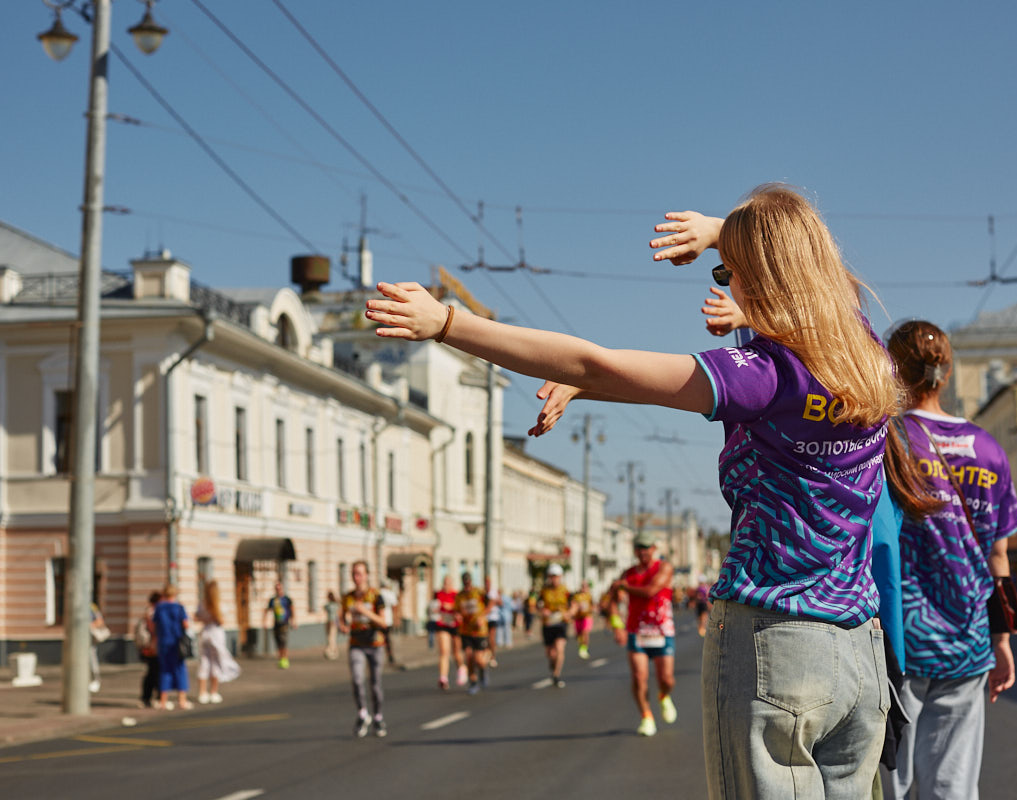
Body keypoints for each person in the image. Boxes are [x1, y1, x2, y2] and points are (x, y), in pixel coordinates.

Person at [368, 185, 900, 799]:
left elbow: (594, 362)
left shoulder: (762, 377)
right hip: (860, 654)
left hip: (775, 645)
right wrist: (718, 230)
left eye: (732, 273)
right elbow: (812, 266)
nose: (728, 286)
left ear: (763, 278)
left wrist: (448, 323)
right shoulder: (868, 357)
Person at [881, 320, 1017, 800]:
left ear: (895, 369)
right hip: (968, 639)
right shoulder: (989, 449)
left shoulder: (888, 440)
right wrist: (1001, 640)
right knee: (953, 785)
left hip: (898, 639)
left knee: (889, 781)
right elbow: (998, 553)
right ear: (945, 372)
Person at [614, 532, 677, 737]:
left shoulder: (664, 568)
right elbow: (611, 600)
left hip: (661, 630)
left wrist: (625, 587)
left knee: (666, 679)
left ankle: (663, 696)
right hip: (637, 631)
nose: (643, 552)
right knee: (639, 676)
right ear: (635, 550)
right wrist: (617, 625)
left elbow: (651, 591)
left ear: (653, 549)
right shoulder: (628, 574)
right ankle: (646, 716)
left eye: (647, 547)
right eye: (639, 548)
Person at [340, 560, 388, 737]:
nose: (356, 577)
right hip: (356, 644)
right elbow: (343, 618)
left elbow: (383, 621)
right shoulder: (348, 597)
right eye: (354, 573)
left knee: (375, 684)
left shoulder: (376, 596)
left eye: (359, 573)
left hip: (375, 643)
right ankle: (362, 713)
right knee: (357, 679)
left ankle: (378, 717)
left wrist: (365, 612)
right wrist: (344, 625)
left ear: (367, 575)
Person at [196, 579, 240, 704]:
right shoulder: (218, 604)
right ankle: (213, 692)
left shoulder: (202, 604)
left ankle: (202, 692)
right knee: (216, 662)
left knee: (204, 662)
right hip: (215, 633)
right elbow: (221, 621)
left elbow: (197, 616)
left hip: (205, 633)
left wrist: (205, 618)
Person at [153, 584, 192, 710]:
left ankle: (163, 701)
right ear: (175, 594)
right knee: (180, 670)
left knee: (164, 671)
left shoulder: (159, 608)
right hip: (177, 643)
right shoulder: (179, 607)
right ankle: (182, 700)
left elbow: (154, 626)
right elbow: (186, 625)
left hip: (163, 642)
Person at [455, 572, 491, 694]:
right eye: (465, 583)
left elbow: (490, 603)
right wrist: (458, 616)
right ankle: (473, 682)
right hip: (466, 630)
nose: (467, 585)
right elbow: (456, 611)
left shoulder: (478, 592)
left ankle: (483, 670)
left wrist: (482, 617)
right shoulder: (460, 596)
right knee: (469, 656)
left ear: (471, 582)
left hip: (480, 630)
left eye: (468, 582)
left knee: (479, 659)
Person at [538, 564, 573, 687]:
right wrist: (543, 611)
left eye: (556, 576)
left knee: (559, 649)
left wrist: (569, 613)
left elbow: (573, 605)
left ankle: (556, 675)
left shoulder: (565, 590)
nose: (554, 579)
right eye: (552, 576)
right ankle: (553, 666)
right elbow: (537, 604)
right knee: (550, 654)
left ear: (560, 577)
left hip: (561, 624)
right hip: (548, 624)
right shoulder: (544, 590)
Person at [431, 575, 461, 690]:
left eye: (448, 583)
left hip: (454, 625)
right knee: (444, 651)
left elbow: (460, 609)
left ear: (452, 584)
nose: (446, 585)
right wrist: (435, 610)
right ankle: (443, 678)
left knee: (456, 653)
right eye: (444, 582)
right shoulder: (438, 594)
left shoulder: (456, 595)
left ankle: (461, 668)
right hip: (443, 624)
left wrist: (452, 607)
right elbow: (434, 607)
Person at [134, 592, 161, 708]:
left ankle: (148, 697)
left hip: (150, 646)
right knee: (155, 673)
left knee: (153, 672)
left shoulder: (149, 611)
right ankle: (151, 697)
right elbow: (153, 629)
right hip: (153, 646)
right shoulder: (152, 612)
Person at [263, 582, 296, 669]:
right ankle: (281, 658)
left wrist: (293, 621)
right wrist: (264, 622)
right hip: (276, 624)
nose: (278, 590)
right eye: (276, 588)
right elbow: (267, 610)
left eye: (279, 588)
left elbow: (292, 610)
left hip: (284, 623)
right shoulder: (273, 600)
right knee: (278, 642)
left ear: (282, 589)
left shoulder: (286, 599)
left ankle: (285, 659)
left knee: (283, 642)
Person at [88, 601, 108, 694]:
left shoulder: (91, 607)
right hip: (79, 638)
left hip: (89, 638)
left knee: (91, 658)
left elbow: (100, 620)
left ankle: (95, 680)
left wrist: (89, 626)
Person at [571, 581, 594, 659]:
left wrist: (590, 609)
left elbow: (592, 605)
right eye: (583, 586)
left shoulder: (589, 596)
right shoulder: (576, 596)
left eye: (586, 587)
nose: (584, 588)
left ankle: (584, 649)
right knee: (579, 635)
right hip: (578, 618)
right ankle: (582, 646)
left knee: (585, 632)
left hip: (587, 617)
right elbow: (573, 605)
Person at [379, 580, 399, 667]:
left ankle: (381, 656)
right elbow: (394, 606)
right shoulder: (390, 593)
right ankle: (389, 655)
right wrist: (396, 618)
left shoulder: (378, 593)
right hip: (388, 619)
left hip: (379, 620)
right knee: (387, 639)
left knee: (380, 638)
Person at [485, 576, 502, 667]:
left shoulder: (494, 592)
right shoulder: (483, 592)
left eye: (488, 583)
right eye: (486, 583)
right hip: (485, 619)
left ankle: (493, 656)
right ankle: (488, 654)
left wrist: (496, 601)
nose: (487, 585)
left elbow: (500, 603)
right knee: (485, 638)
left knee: (491, 638)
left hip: (493, 617)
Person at [324, 590, 342, 659]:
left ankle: (332, 651)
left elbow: (339, 613)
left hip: (333, 622)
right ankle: (333, 650)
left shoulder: (332, 605)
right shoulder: (334, 604)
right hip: (330, 621)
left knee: (331, 637)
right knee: (330, 636)